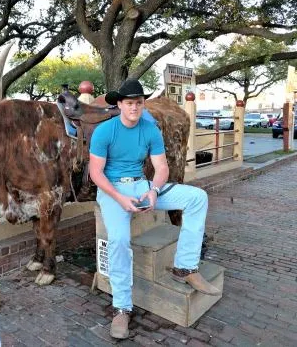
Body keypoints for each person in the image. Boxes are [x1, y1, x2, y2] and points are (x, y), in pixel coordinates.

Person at [89, 79, 220, 339]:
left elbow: (161, 168)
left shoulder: (150, 130)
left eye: (139, 102)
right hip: (111, 190)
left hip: (141, 186)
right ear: (119, 104)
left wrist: (153, 191)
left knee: (197, 198)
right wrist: (118, 198)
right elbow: (96, 173)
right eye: (129, 103)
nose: (135, 107)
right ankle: (122, 308)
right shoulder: (105, 131)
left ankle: (185, 267)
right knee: (119, 239)